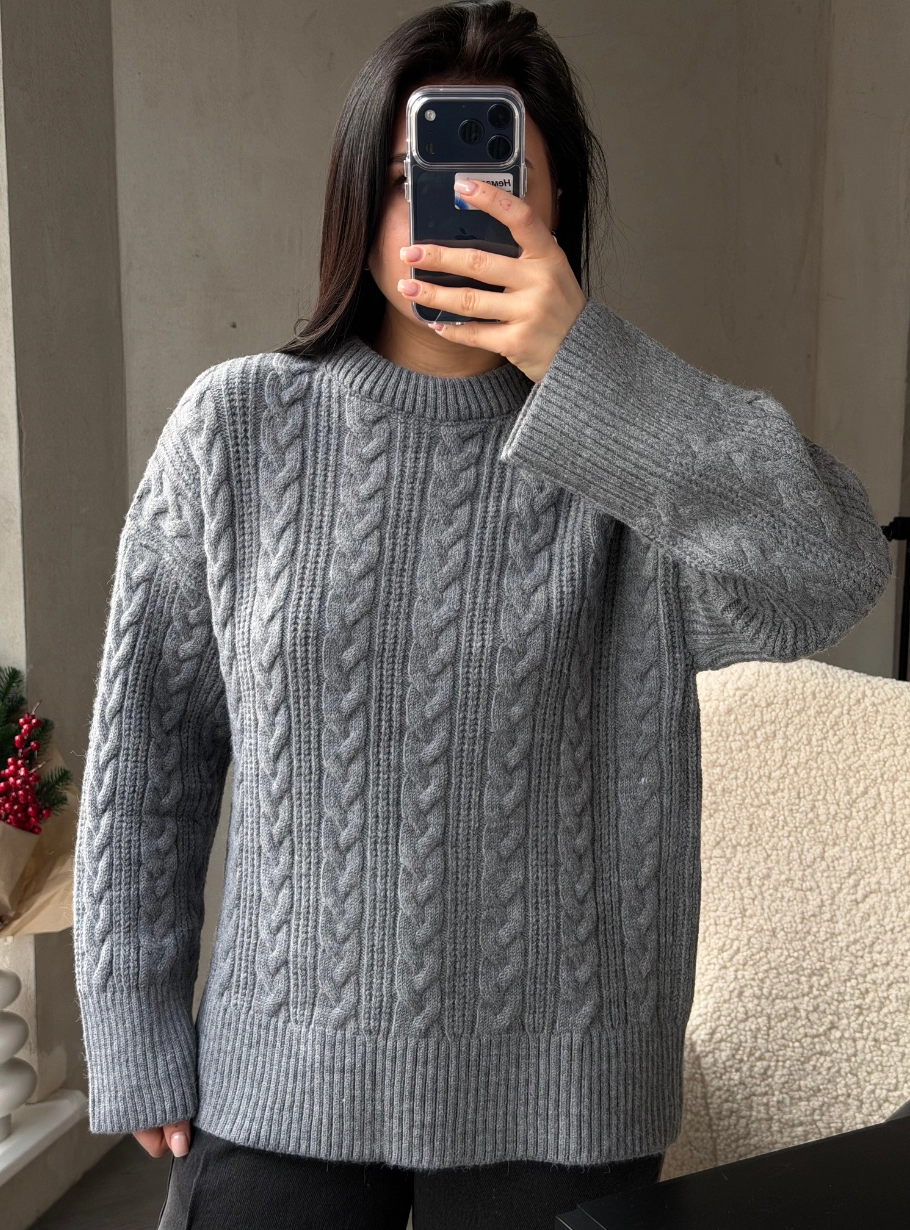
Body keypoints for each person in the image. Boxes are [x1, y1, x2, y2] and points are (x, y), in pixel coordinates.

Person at [71, 2, 893, 1228]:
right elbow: (150, 750)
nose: (443, 212)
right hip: (279, 1082)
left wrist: (589, 365)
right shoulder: (234, 431)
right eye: (406, 179)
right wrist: (132, 1015)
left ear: (553, 212)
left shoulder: (624, 460)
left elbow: (829, 567)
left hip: (558, 1106)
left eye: (492, 179)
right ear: (357, 197)